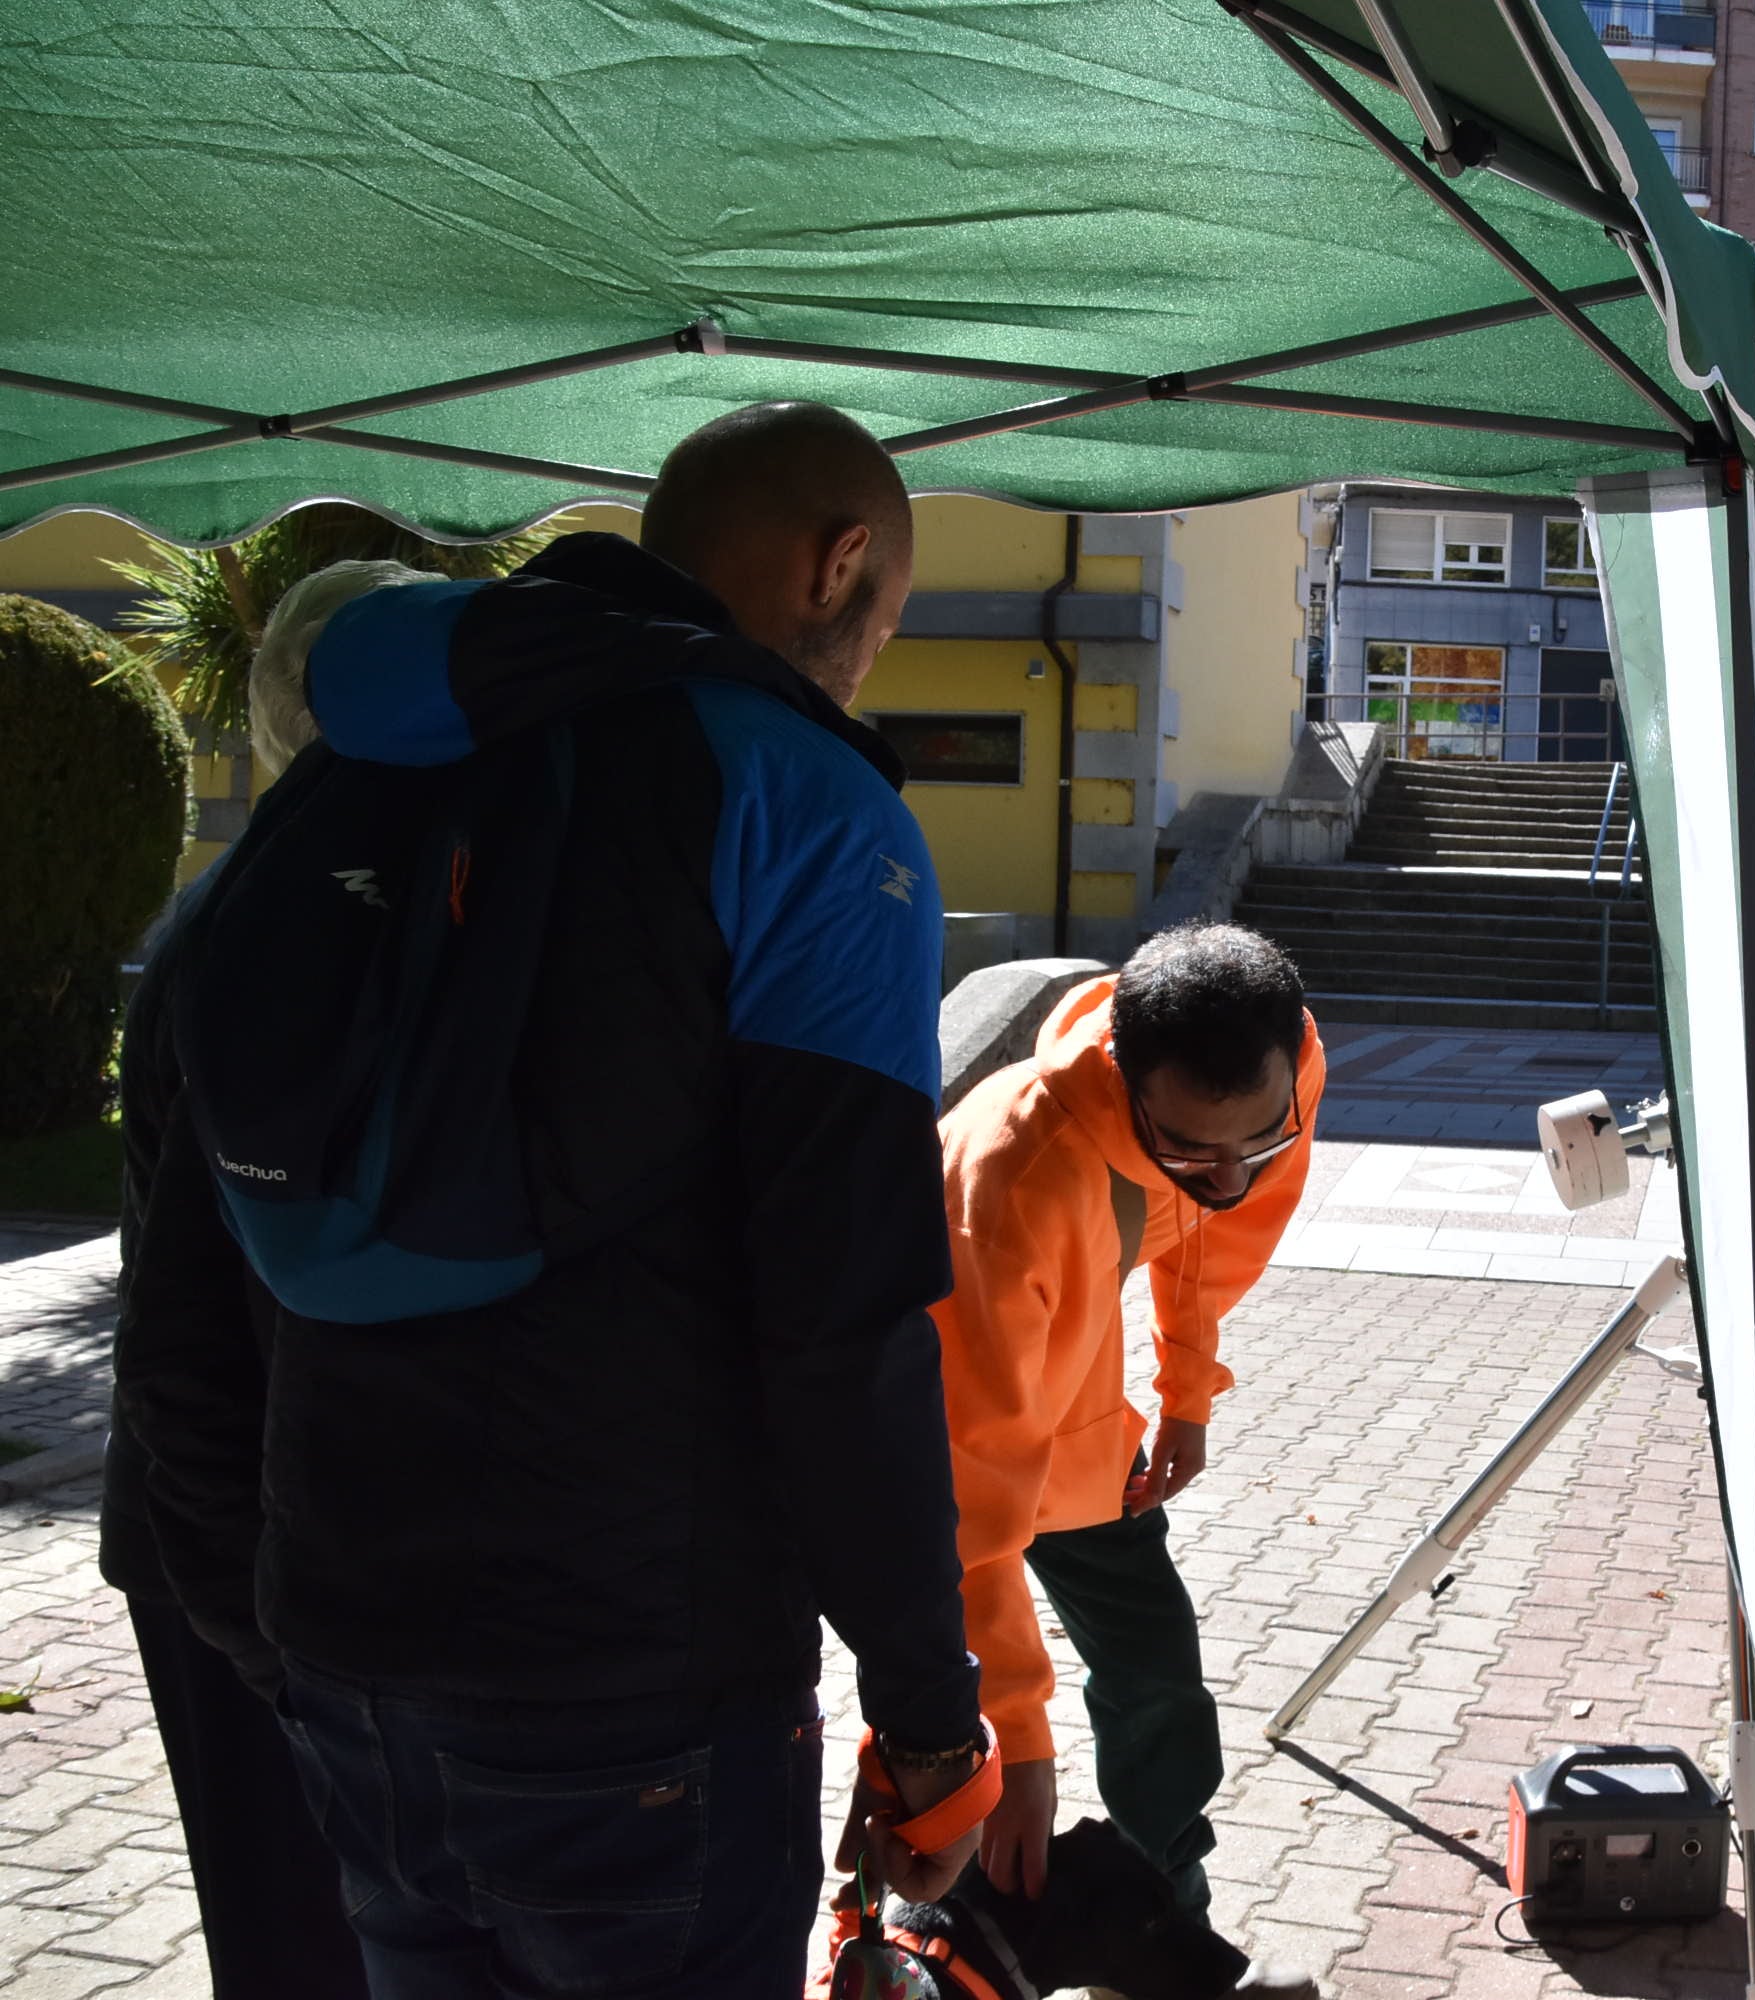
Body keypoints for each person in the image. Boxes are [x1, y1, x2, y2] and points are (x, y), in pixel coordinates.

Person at [114, 402, 994, 1999]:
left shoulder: (352, 776)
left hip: (346, 1659)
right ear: (842, 562)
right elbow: (845, 1325)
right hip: (638, 1684)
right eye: (890, 611)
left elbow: (182, 1287)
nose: (875, 651)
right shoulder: (800, 799)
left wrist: (267, 1626)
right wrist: (932, 1719)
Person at [930, 924, 1324, 1969]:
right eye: (1190, 1152)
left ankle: (1163, 1927)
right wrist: (1019, 1740)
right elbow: (964, 1502)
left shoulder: (1272, 1070)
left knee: (1158, 1680)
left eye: (1259, 1144)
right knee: (948, 1729)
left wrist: (1187, 1395)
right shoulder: (1010, 1180)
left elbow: (1211, 1233)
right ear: (1123, 1078)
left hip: (1076, 1426)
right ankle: (950, 1943)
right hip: (944, 1444)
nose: (1230, 1178)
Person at [101, 893, 369, 2000]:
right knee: (301, 1945)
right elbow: (177, 1343)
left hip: (250, 1547)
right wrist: (265, 1646)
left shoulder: (274, 900)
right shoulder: (294, 923)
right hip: (243, 1551)